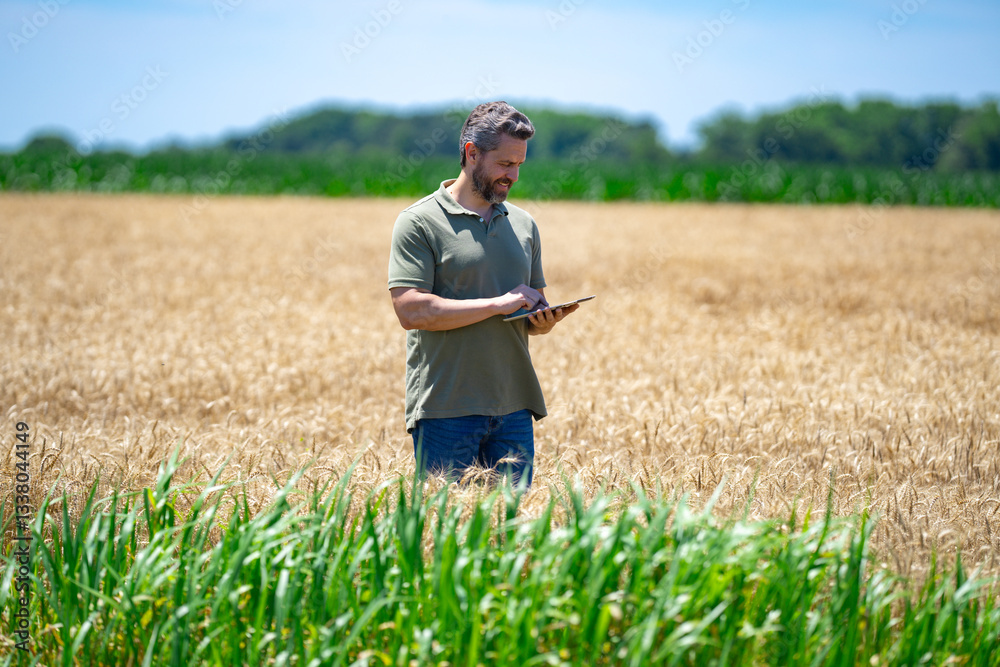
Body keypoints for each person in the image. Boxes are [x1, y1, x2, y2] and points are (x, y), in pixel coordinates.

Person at [387, 100, 578, 487]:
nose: (514, 176)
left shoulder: (524, 225)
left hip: (514, 407)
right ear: (472, 154)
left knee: (513, 535)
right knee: (445, 537)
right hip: (445, 409)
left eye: (520, 165)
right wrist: (497, 304)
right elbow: (412, 311)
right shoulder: (419, 222)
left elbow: (528, 316)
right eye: (505, 164)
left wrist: (542, 321)